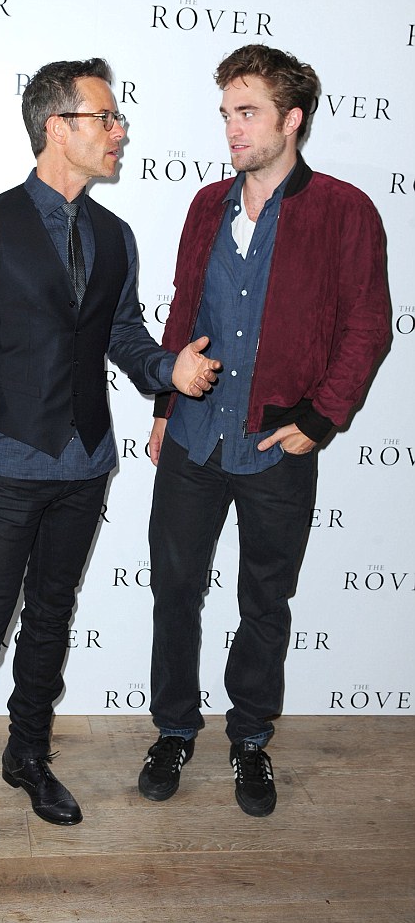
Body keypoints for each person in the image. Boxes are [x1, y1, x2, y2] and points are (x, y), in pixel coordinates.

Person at [0, 57, 220, 894]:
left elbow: (122, 334)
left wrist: (167, 371)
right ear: (57, 127)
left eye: (117, 119)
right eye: (105, 117)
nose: (120, 131)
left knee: (51, 618)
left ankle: (27, 756)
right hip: (10, 459)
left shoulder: (115, 235)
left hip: (87, 462)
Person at [137, 44, 390, 817]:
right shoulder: (205, 206)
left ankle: (250, 739)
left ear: (292, 119)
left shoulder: (344, 210)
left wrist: (321, 418)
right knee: (175, 590)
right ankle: (174, 729)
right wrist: (164, 407)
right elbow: (185, 311)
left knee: (264, 600)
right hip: (194, 437)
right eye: (226, 114)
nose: (232, 129)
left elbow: (367, 325)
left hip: (277, 442)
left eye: (247, 112)